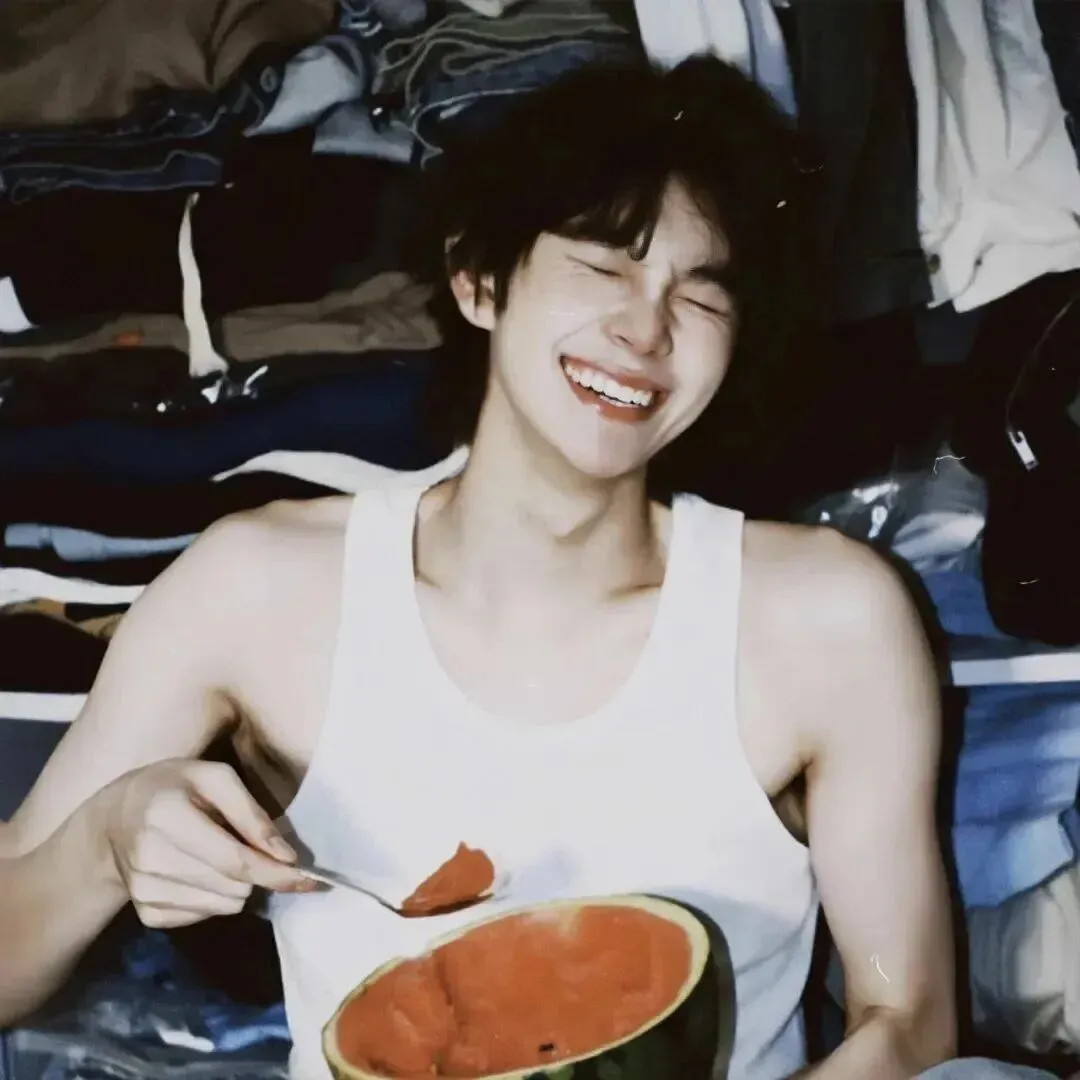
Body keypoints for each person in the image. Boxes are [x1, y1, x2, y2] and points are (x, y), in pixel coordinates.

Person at [0, 55, 1062, 1080]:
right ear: (478, 278)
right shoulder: (254, 589)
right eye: (603, 266)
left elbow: (908, 1020)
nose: (645, 330)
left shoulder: (830, 620)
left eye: (701, 294)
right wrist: (105, 846)